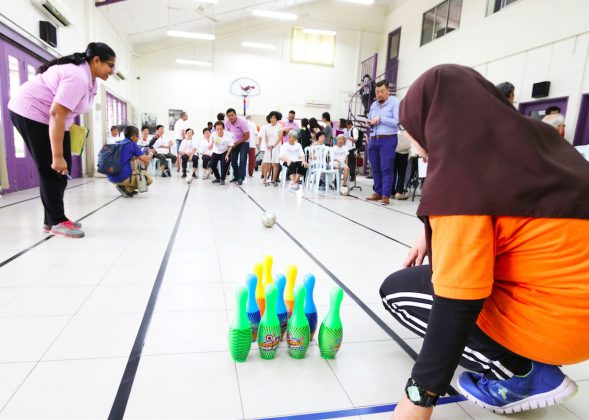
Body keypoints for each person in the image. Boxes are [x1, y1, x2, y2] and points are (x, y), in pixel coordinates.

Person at [381, 64, 589, 419]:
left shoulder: (461, 184)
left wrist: (418, 398)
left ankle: (521, 372)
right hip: (577, 314)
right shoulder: (540, 139)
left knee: (398, 291)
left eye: (409, 126)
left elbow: (457, 301)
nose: (412, 141)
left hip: (557, 327)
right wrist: (430, 226)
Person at [8, 42, 116, 239]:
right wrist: (57, 156)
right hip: (30, 112)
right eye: (110, 65)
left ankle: (53, 219)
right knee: (52, 168)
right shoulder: (77, 77)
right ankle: (56, 221)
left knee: (62, 168)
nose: (112, 70)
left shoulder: (90, 79)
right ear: (96, 60)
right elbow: (57, 113)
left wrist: (63, 152)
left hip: (50, 118)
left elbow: (66, 113)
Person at [366, 80, 399, 206]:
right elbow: (371, 119)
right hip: (374, 139)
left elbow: (398, 122)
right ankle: (378, 192)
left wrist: (381, 119)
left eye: (382, 92)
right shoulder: (374, 104)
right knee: (375, 168)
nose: (379, 94)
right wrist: (369, 122)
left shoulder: (395, 102)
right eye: (377, 92)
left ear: (388, 91)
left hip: (388, 139)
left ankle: (385, 195)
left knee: (386, 168)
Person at [107, 125, 154, 198]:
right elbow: (146, 160)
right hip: (121, 177)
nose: (138, 138)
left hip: (111, 177)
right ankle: (123, 186)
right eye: (138, 136)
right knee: (148, 179)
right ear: (134, 136)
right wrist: (151, 153)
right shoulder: (132, 144)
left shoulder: (118, 142)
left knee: (134, 161)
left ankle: (128, 188)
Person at [225, 108, 250, 185]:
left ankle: (241, 177)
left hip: (244, 141)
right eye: (229, 116)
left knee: (242, 159)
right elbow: (227, 134)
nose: (230, 117)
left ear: (235, 114)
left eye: (232, 115)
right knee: (233, 160)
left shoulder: (242, 122)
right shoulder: (227, 123)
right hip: (234, 142)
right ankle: (236, 176)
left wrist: (237, 143)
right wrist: (230, 144)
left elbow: (247, 135)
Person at [209, 120, 234, 185]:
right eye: (217, 129)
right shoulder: (213, 135)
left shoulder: (228, 135)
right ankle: (217, 178)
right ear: (215, 129)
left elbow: (230, 146)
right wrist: (211, 143)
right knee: (212, 164)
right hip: (216, 151)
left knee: (224, 163)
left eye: (221, 129)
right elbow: (210, 147)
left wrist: (227, 155)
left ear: (223, 128)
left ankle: (222, 179)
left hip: (225, 151)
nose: (219, 131)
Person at [262, 111, 283, 186]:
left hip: (276, 146)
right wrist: (267, 145)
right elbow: (266, 137)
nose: (272, 119)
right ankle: (265, 179)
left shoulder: (279, 126)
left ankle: (274, 180)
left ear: (277, 119)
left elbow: (280, 138)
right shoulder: (267, 126)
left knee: (275, 163)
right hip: (268, 146)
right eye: (271, 118)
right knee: (266, 163)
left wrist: (273, 145)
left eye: (274, 118)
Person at [392, 130, 411, 200]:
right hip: (404, 152)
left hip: (394, 151)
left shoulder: (395, 126)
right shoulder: (408, 128)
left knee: (393, 172)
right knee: (401, 174)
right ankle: (399, 192)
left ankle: (391, 192)